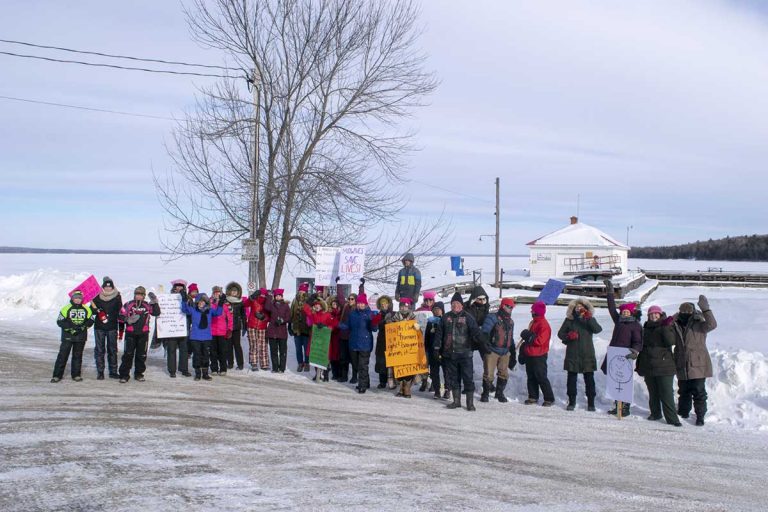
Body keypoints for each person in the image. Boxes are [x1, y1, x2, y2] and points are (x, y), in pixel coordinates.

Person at [672, 296, 717, 426]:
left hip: (698, 363)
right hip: (681, 362)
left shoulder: (699, 324)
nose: (685, 313)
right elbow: (667, 333)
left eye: (688, 311)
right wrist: (672, 318)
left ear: (693, 312)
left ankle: (700, 417)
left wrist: (706, 309)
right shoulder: (676, 324)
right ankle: (683, 412)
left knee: (699, 392)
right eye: (683, 311)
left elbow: (712, 325)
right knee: (683, 390)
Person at [602, 279, 643, 416]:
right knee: (615, 380)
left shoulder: (635, 325)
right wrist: (610, 292)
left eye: (627, 312)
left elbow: (638, 341)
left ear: (631, 313)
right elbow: (611, 308)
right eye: (623, 312)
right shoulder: (618, 320)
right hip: (614, 354)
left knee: (624, 382)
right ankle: (617, 405)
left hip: (626, 356)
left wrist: (635, 351)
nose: (625, 313)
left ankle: (625, 408)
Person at [637, 305, 681, 427]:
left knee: (666, 393)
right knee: (653, 392)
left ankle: (672, 418)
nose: (653, 316)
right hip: (649, 365)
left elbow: (670, 341)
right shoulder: (646, 327)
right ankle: (655, 413)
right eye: (651, 314)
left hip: (664, 365)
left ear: (660, 314)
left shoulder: (667, 325)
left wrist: (666, 326)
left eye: (656, 313)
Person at [557, 298, 602, 411]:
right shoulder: (569, 320)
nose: (579, 308)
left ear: (585, 308)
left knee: (589, 379)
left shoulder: (589, 319)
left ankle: (591, 403)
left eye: (581, 307)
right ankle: (571, 402)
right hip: (573, 354)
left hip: (587, 354)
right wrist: (568, 336)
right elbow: (560, 334)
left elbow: (598, 329)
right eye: (577, 307)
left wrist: (589, 318)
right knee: (571, 379)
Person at [439, 292, 481, 411]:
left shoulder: (468, 317)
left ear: (462, 305)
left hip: (465, 354)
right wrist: (437, 348)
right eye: (453, 303)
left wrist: (483, 343)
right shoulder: (445, 317)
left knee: (468, 378)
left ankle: (470, 403)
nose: (455, 305)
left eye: (457, 303)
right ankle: (456, 401)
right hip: (450, 354)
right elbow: (439, 334)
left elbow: (476, 332)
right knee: (454, 378)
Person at [118, 287, 161, 383]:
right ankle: (124, 375)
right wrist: (127, 320)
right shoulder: (129, 304)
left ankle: (139, 374)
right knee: (128, 355)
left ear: (143, 296)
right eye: (137, 294)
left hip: (143, 334)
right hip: (130, 333)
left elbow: (156, 312)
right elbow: (120, 316)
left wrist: (155, 302)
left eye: (140, 294)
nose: (138, 296)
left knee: (141, 355)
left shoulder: (147, 305)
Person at [51, 290, 95, 383]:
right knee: (63, 356)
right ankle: (57, 375)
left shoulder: (86, 309)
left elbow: (91, 320)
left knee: (78, 356)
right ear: (72, 298)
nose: (78, 300)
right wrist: (70, 329)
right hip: (68, 336)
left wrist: (83, 327)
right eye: (76, 298)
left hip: (81, 336)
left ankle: (76, 375)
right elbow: (60, 321)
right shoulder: (66, 308)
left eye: (79, 298)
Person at [479, 297, 516, 403]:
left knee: (504, 374)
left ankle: (499, 394)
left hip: (505, 352)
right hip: (492, 351)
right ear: (503, 306)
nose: (511, 309)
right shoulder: (492, 317)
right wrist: (485, 346)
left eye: (512, 307)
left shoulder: (511, 322)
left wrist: (513, 353)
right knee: (488, 374)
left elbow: (511, 338)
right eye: (509, 307)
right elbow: (485, 331)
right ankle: (485, 394)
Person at [339, 293, 378, 393]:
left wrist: (374, 323)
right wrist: (337, 324)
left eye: (362, 303)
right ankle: (366, 382)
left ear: (365, 304)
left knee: (362, 366)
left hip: (365, 344)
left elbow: (374, 329)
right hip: (353, 343)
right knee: (356, 365)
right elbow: (347, 326)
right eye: (359, 303)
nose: (360, 305)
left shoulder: (370, 314)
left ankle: (362, 385)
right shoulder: (352, 314)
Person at [181, 293, 223, 381]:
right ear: (196, 302)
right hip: (195, 337)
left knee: (206, 356)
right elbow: (184, 309)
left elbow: (218, 312)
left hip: (207, 337)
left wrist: (221, 302)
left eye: (203, 301)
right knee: (197, 356)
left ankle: (205, 374)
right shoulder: (193, 310)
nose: (201, 303)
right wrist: (184, 300)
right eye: (199, 301)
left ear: (206, 302)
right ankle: (197, 374)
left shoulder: (210, 311)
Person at [521, 301, 555, 406]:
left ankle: (549, 398)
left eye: (533, 311)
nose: (531, 312)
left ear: (537, 312)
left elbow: (540, 341)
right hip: (530, 353)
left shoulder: (544, 324)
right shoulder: (534, 322)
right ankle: (533, 396)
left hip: (539, 355)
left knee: (541, 376)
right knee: (531, 376)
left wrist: (529, 336)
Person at [91, 276, 122, 380]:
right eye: (106, 287)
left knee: (112, 350)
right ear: (103, 287)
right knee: (100, 350)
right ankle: (100, 372)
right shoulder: (96, 296)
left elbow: (120, 311)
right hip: (99, 327)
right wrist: (97, 310)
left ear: (112, 287)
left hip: (112, 327)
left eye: (110, 287)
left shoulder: (117, 296)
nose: (108, 288)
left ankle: (113, 371)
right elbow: (92, 311)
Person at [385, 297, 418, 398]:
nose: (404, 308)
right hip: (398, 348)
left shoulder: (413, 318)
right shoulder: (394, 317)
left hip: (409, 348)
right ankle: (400, 386)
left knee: (408, 368)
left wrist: (417, 328)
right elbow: (389, 329)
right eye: (402, 306)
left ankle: (407, 387)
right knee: (399, 367)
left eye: (406, 306)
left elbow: (419, 333)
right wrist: (390, 324)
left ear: (409, 307)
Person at [303, 295, 338, 381]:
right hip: (315, 339)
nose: (316, 306)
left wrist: (326, 326)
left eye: (318, 305)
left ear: (321, 306)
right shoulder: (313, 315)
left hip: (324, 340)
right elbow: (306, 309)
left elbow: (334, 324)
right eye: (315, 305)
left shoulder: (327, 315)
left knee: (324, 356)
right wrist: (309, 300)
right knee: (315, 355)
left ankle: (325, 373)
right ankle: (317, 373)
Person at [165, 279, 191, 378]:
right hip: (171, 328)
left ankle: (184, 369)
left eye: (181, 286)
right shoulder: (168, 298)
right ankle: (172, 370)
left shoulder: (188, 298)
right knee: (171, 349)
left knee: (184, 349)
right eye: (177, 286)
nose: (179, 288)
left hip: (183, 327)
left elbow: (190, 312)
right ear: (174, 287)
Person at [243, 288, 270, 371]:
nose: (262, 296)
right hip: (252, 325)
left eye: (263, 294)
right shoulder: (254, 300)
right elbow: (245, 304)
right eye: (261, 294)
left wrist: (264, 317)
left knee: (263, 345)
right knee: (253, 345)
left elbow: (270, 314)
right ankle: (254, 363)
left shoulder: (267, 302)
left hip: (262, 326)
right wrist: (251, 297)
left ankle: (264, 364)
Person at [264, 288, 291, 373]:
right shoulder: (271, 305)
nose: (278, 297)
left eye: (280, 296)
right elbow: (266, 307)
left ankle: (282, 368)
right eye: (277, 296)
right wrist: (269, 295)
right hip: (272, 331)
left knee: (283, 351)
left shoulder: (286, 306)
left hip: (282, 332)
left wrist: (282, 320)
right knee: (273, 351)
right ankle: (275, 368)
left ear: (282, 297)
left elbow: (289, 317)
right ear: (275, 297)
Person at [209, 286, 233, 376]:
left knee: (222, 351)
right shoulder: (209, 302)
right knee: (213, 351)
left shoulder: (226, 304)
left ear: (221, 293)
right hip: (212, 331)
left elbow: (230, 318)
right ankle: (214, 368)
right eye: (215, 292)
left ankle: (223, 368)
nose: (216, 294)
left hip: (222, 331)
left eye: (218, 292)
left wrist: (230, 329)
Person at [424, 300, 446, 399]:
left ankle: (447, 390)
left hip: (444, 351)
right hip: (433, 351)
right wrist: (426, 349)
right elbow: (427, 337)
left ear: (442, 311)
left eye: (439, 309)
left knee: (446, 372)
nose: (437, 311)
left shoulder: (446, 321)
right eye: (435, 309)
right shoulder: (430, 322)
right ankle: (437, 391)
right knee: (434, 372)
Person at [224, 281, 247, 372]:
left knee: (237, 345)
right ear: (229, 291)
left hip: (237, 327)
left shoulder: (240, 302)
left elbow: (243, 315)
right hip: (227, 327)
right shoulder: (225, 301)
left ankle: (240, 364)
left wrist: (245, 325)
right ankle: (230, 363)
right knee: (228, 346)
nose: (234, 293)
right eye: (232, 291)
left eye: (235, 291)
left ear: (238, 292)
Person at [373, 294, 394, 389]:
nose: (384, 305)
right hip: (382, 341)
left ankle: (392, 381)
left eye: (385, 303)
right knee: (381, 362)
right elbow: (375, 325)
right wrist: (383, 322)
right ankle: (382, 382)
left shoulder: (394, 314)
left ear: (389, 304)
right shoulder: (379, 315)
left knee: (391, 362)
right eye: (382, 304)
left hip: (393, 341)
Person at [290, 283, 312, 372]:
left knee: (307, 348)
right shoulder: (295, 300)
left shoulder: (309, 301)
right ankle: (300, 363)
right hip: (296, 328)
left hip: (306, 329)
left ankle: (307, 363)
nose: (301, 292)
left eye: (303, 291)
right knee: (298, 349)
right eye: (300, 290)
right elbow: (291, 313)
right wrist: (289, 324)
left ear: (306, 291)